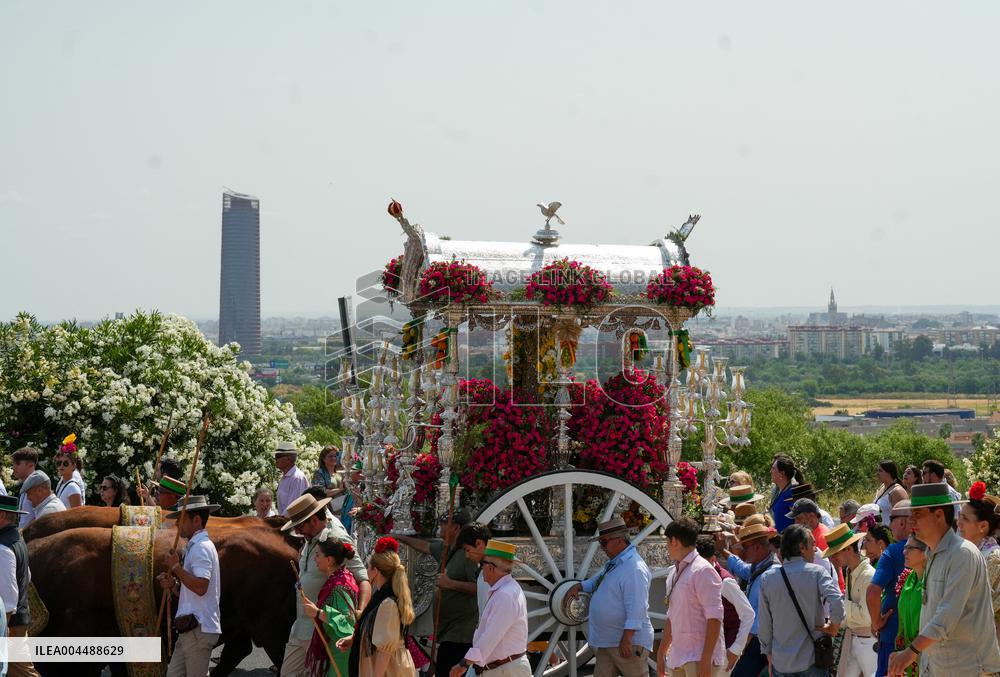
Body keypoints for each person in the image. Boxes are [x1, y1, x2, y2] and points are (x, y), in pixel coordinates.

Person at [886, 483, 1000, 676]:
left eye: (918, 515)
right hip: (940, 668)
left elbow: (946, 616)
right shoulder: (932, 554)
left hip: (970, 669)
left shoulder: (962, 553)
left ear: (939, 515)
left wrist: (911, 652)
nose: (911, 522)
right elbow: (931, 614)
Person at [281, 493, 371, 677]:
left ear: (314, 520)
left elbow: (363, 579)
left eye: (299, 526)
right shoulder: (309, 540)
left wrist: (359, 615)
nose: (297, 531)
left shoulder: (336, 539)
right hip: (301, 628)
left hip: (324, 631)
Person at [393, 511, 478, 677]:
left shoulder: (467, 555)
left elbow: (478, 588)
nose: (440, 527)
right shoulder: (447, 548)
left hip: (459, 632)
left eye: (444, 524)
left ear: (456, 527)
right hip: (446, 630)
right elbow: (424, 546)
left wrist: (451, 584)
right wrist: (398, 536)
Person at [565, 518, 652, 677]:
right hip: (610, 641)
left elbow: (637, 606)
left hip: (626, 643)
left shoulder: (634, 568)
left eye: (604, 542)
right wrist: (580, 586)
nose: (602, 547)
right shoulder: (616, 563)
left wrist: (627, 638)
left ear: (619, 541)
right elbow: (598, 581)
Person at [758, 524, 844, 677]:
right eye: (812, 544)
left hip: (782, 663)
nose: (815, 550)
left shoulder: (767, 579)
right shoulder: (817, 573)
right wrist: (834, 626)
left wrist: (768, 654)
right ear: (802, 547)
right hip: (812, 661)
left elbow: (764, 623)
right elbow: (837, 601)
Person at [157, 495, 222, 677]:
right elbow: (192, 590)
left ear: (196, 520)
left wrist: (176, 567)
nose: (177, 524)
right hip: (190, 629)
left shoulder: (201, 547)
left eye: (181, 519)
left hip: (197, 629)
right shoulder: (195, 546)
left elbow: (201, 587)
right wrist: (174, 585)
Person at [655, 518, 725, 677]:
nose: (667, 547)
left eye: (667, 541)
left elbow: (715, 618)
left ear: (674, 541)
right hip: (679, 657)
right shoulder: (674, 572)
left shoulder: (703, 570)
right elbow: (672, 616)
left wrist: (706, 658)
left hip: (699, 658)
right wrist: (661, 652)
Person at [338, 537, 416, 677]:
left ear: (376, 571)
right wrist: (355, 638)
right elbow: (377, 633)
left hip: (386, 670)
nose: (367, 572)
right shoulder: (381, 598)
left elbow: (384, 652)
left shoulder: (388, 604)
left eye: (368, 567)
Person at [451, 539, 529, 677]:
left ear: (491, 568)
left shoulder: (505, 595)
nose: (481, 568)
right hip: (502, 669)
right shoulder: (507, 591)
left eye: (482, 564)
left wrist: (464, 664)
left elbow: (490, 637)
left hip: (505, 671)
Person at [718, 522, 779, 677]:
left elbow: (759, 614)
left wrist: (745, 639)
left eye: (745, 548)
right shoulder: (760, 567)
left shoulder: (769, 574)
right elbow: (741, 568)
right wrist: (722, 551)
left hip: (761, 641)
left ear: (757, 547)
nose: (742, 553)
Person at [694, 535, 755, 674]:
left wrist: (736, 649)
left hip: (725, 649)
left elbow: (748, 614)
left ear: (713, 559)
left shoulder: (725, 582)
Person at [821, 524, 876, 677]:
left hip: (868, 642)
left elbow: (866, 617)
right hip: (854, 640)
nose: (832, 559)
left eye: (835, 553)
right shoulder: (849, 571)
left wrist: (840, 602)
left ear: (849, 549)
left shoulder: (868, 575)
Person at [866, 500, 911, 677]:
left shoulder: (892, 552)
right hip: (920, 638)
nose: (889, 524)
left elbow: (873, 592)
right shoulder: (930, 548)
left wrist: (876, 621)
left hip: (892, 635)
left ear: (902, 521)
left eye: (891, 518)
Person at [301, 538, 359, 677]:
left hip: (341, 653)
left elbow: (347, 623)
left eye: (317, 555)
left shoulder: (339, 587)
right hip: (338, 649)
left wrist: (318, 613)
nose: (315, 559)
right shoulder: (342, 577)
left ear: (329, 560)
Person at [0, 494, 41, 677]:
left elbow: (8, 600)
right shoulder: (16, 538)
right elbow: (27, 576)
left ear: (1, 515)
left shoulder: (2, 548)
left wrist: (4, 632)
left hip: (9, 626)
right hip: (16, 623)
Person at [958, 481, 1000, 644]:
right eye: (959, 516)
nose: (958, 522)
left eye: (965, 518)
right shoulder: (968, 553)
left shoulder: (993, 558)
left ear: (982, 526)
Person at [787, 498, 844, 591]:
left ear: (811, 516)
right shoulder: (811, 533)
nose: (795, 523)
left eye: (799, 518)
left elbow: (830, 570)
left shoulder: (823, 538)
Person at [893, 536, 927, 677]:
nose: (904, 552)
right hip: (906, 655)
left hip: (926, 656)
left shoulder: (932, 580)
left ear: (925, 552)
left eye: (910, 548)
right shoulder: (908, 579)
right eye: (905, 547)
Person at [769, 455, 803, 533]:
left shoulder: (790, 494)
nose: (770, 471)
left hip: (789, 542)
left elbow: (800, 520)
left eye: (773, 468)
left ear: (782, 473)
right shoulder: (783, 492)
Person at [276, 441, 310, 516]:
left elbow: (293, 508)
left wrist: (280, 521)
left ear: (288, 459)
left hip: (293, 524)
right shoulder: (286, 477)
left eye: (278, 456)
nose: (276, 459)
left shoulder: (297, 478)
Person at [53, 434, 85, 508]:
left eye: (65, 463)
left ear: (73, 466)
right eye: (59, 463)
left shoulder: (72, 487)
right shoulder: (61, 482)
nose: (61, 466)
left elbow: (77, 515)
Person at [313, 446, 348, 514]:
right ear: (323, 459)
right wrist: (339, 489)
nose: (333, 458)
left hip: (342, 509)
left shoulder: (339, 472)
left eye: (335, 456)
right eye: (330, 456)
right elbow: (319, 493)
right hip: (328, 509)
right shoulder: (319, 473)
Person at [10, 447, 38, 529]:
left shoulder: (36, 487)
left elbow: (41, 515)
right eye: (13, 464)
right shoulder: (25, 484)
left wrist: (23, 532)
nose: (13, 467)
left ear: (31, 465)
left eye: (18, 463)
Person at [874, 461, 908, 526]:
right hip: (879, 534)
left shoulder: (897, 491)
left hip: (891, 534)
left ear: (889, 472)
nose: (877, 473)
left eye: (880, 471)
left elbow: (903, 518)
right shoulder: (882, 487)